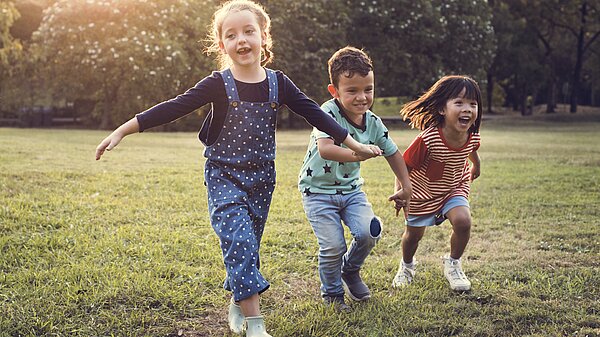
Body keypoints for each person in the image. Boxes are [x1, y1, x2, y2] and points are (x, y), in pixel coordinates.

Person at [95, 2, 380, 336]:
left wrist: (356, 145)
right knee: (240, 242)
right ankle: (256, 325)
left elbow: (316, 115)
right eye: (231, 35)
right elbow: (174, 107)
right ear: (222, 45)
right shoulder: (218, 83)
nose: (241, 40)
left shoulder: (279, 83)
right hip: (224, 177)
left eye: (248, 31)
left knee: (247, 246)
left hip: (261, 180)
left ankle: (237, 300)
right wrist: (122, 130)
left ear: (263, 37)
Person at [298, 46, 412, 311]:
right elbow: (326, 148)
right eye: (352, 91)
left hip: (351, 192)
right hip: (317, 192)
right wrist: (358, 153)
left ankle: (350, 271)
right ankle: (333, 295)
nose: (362, 97)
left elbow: (393, 152)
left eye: (368, 89)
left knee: (369, 232)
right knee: (333, 246)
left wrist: (406, 186)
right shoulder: (326, 112)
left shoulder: (372, 121)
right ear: (334, 91)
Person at [390, 75, 482, 292]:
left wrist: (476, 166)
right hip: (422, 192)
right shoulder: (428, 138)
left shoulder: (472, 135)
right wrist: (401, 191)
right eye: (459, 103)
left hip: (453, 187)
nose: (467, 109)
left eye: (473, 104)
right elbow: (403, 166)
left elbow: (472, 149)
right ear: (442, 109)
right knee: (413, 236)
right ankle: (406, 266)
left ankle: (453, 264)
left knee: (463, 222)